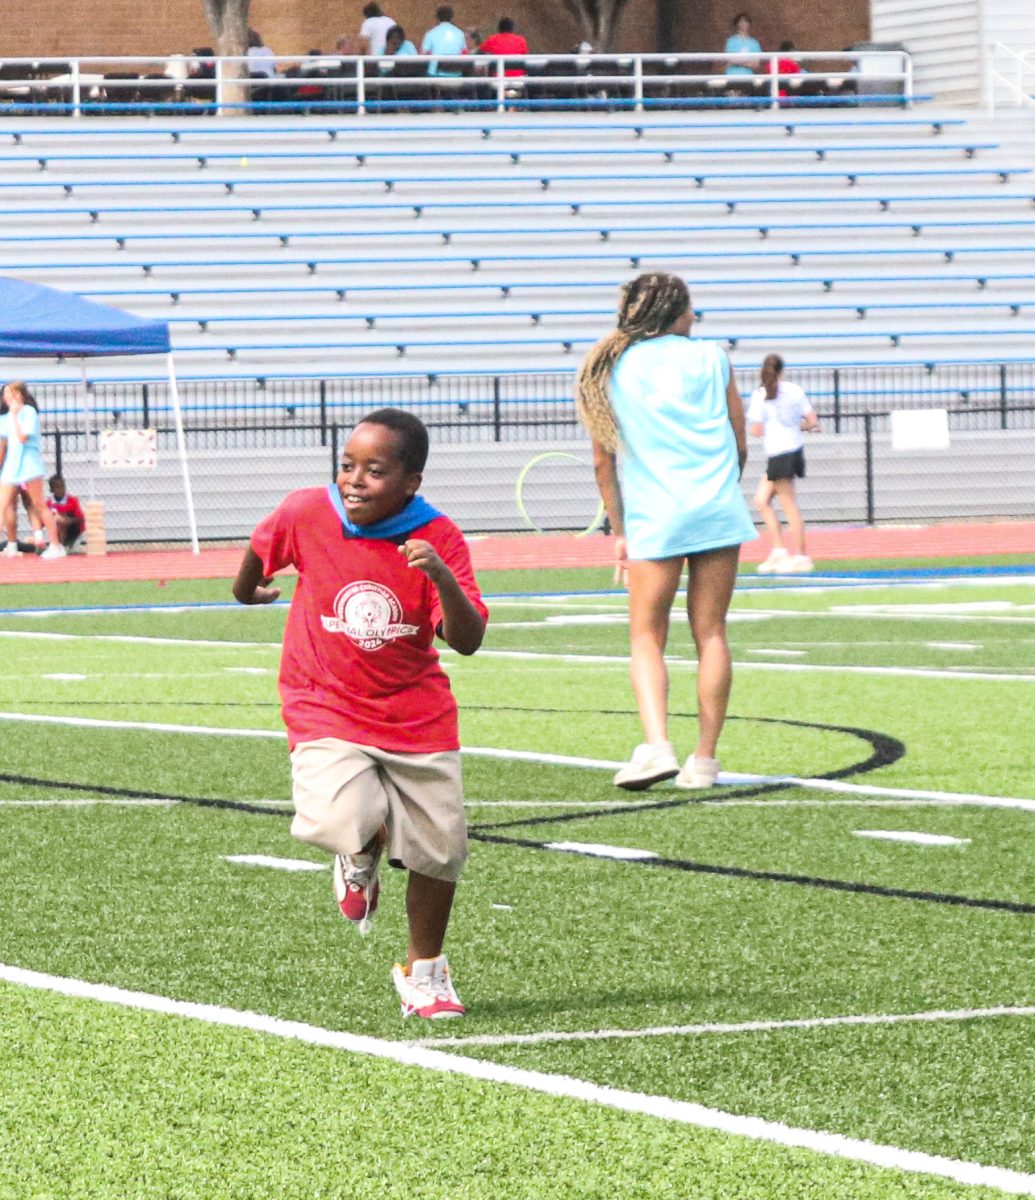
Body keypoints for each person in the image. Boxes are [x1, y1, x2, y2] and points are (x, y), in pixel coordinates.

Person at [233, 408, 488, 1019]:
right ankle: (359, 851)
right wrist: (249, 591)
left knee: (440, 849)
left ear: (410, 484)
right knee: (346, 814)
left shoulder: (438, 536)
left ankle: (424, 973)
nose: (353, 480)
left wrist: (442, 578)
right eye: (348, 465)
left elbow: (468, 638)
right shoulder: (306, 511)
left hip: (416, 718)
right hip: (324, 705)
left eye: (374, 471)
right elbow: (257, 553)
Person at [576, 273, 755, 793]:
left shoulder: (609, 367)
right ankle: (704, 761)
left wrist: (621, 527)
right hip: (717, 509)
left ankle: (657, 746)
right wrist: (719, 489)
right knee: (712, 633)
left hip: (656, 515)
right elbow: (738, 439)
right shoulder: (713, 357)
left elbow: (601, 460)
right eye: (691, 308)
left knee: (646, 636)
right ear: (676, 312)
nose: (696, 316)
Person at [747, 354, 820, 574]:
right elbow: (812, 421)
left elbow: (756, 429)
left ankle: (801, 556)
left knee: (789, 506)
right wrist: (795, 427)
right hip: (792, 450)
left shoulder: (760, 395)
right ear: (781, 371)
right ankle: (779, 551)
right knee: (761, 500)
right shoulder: (794, 390)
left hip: (780, 453)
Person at [0, 382, 65, 559]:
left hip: (29, 464)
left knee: (39, 505)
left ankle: (56, 545)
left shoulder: (28, 412)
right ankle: (13, 543)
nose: (5, 396)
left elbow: (22, 437)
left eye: (8, 393)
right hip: (12, 466)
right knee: (2, 504)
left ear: (18, 395)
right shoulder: (5, 418)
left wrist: (14, 416)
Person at [421, 5, 467, 77]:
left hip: (435, 76)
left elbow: (422, 56)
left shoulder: (430, 33)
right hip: (456, 75)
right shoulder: (460, 33)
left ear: (437, 18)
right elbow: (464, 53)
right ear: (451, 17)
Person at [46, 474, 87, 550]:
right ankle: (59, 545)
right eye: (57, 487)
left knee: (61, 520)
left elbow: (81, 519)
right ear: (51, 489)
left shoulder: (72, 500)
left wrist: (68, 520)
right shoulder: (49, 503)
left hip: (74, 531)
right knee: (57, 520)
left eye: (63, 486)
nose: (61, 489)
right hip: (57, 532)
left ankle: (67, 545)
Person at [724, 12, 761, 77]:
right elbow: (730, 60)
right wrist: (747, 62)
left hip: (748, 76)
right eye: (741, 22)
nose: (743, 24)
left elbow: (756, 64)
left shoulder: (754, 43)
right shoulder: (731, 41)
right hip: (732, 75)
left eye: (745, 22)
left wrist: (738, 61)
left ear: (749, 24)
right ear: (737, 24)